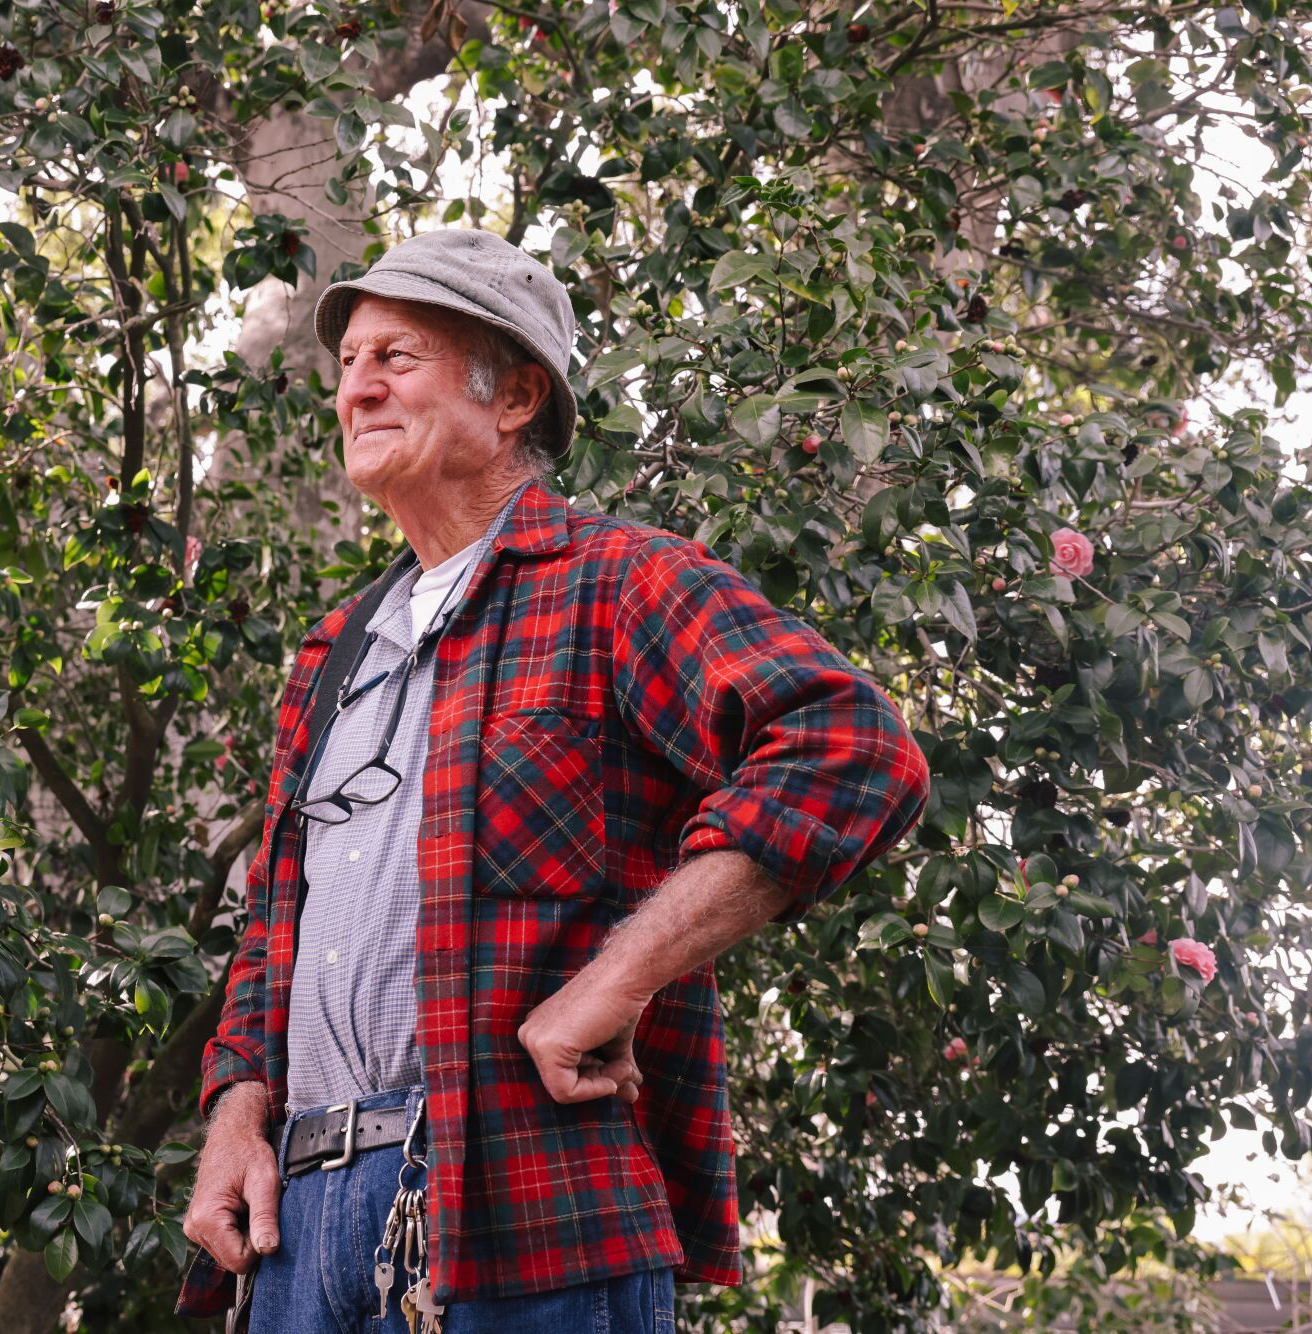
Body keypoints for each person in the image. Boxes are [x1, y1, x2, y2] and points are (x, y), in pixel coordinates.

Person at [175, 228, 930, 1332]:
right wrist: (236, 1115)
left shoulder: (616, 581)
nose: (357, 386)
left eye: (396, 356)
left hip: (520, 1215)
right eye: (347, 365)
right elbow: (272, 924)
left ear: (516, 395)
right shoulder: (332, 650)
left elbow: (849, 744)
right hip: (297, 1222)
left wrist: (618, 976)